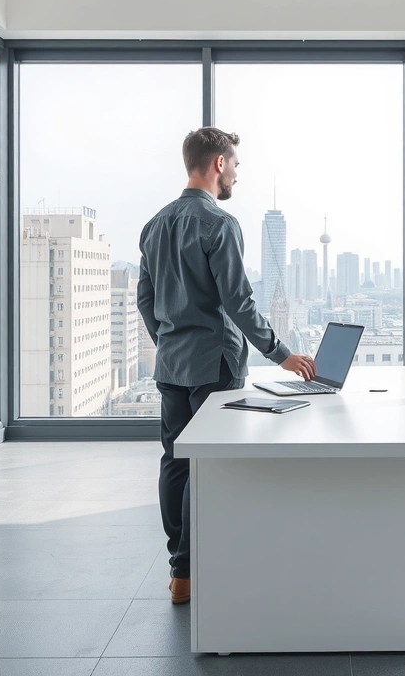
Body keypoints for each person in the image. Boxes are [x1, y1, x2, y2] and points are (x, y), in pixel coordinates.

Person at [137, 127, 316, 606]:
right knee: (208, 466)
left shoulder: (154, 224)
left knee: (176, 462)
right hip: (214, 366)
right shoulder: (220, 223)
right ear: (218, 163)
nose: (236, 173)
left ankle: (180, 569)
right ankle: (192, 570)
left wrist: (169, 342)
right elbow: (238, 302)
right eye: (235, 164)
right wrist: (282, 353)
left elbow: (145, 300)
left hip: (172, 365)